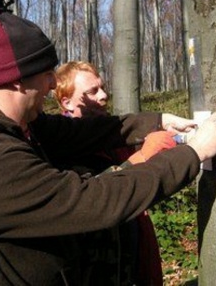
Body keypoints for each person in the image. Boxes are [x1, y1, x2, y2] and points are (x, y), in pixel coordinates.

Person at [0, 0, 216, 286]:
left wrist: (160, 120)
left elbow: (88, 131)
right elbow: (97, 199)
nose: (53, 85)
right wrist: (192, 154)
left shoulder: (17, 127)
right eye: (46, 75)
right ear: (16, 80)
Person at [54, 61, 177, 285]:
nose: (103, 96)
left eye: (103, 87)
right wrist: (142, 159)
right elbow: (90, 199)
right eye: (92, 91)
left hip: (130, 260)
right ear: (67, 102)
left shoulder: (116, 138)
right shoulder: (61, 150)